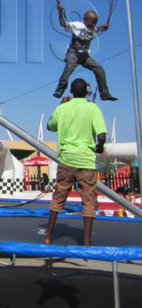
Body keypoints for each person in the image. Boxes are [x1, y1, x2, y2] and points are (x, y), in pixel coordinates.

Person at [43, 78, 107, 246]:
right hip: (85, 160)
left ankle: (49, 236)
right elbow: (101, 134)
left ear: (70, 92)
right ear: (86, 91)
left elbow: (50, 126)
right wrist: (99, 147)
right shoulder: (92, 108)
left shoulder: (62, 108)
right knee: (89, 201)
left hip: (66, 159)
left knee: (58, 197)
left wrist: (60, 104)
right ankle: (86, 241)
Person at [53, 4, 116, 101]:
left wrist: (103, 26)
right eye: (92, 22)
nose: (94, 25)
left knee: (99, 70)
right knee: (69, 68)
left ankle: (105, 94)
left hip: (84, 56)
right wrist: (60, 11)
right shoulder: (78, 26)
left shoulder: (92, 28)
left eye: (95, 23)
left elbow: (96, 29)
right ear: (86, 20)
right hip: (73, 53)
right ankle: (59, 90)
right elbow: (63, 24)